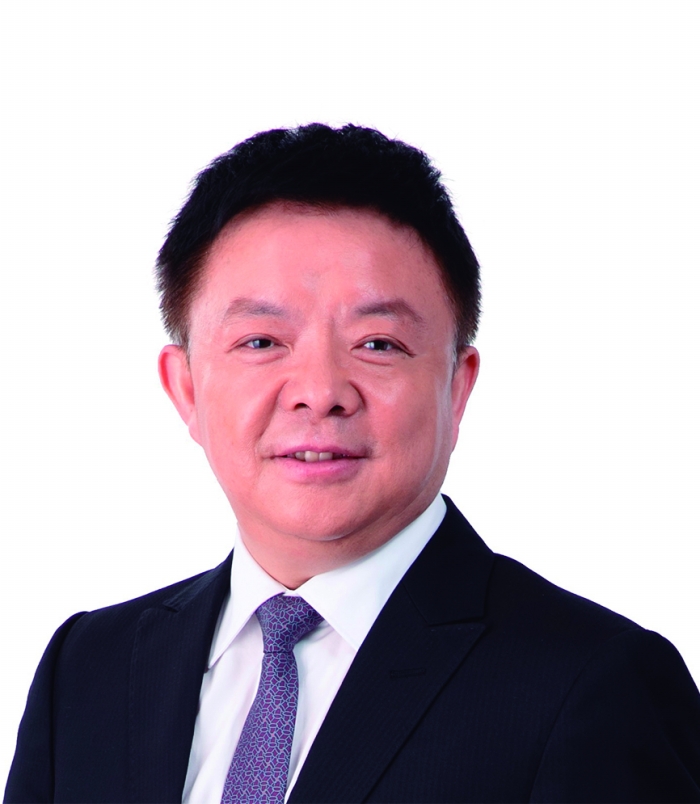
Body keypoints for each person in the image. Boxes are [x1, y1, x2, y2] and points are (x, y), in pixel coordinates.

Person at [5, 124, 700, 804]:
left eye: (378, 344)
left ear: (456, 388)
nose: (319, 391)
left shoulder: (596, 684)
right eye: (260, 341)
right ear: (185, 388)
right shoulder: (88, 669)